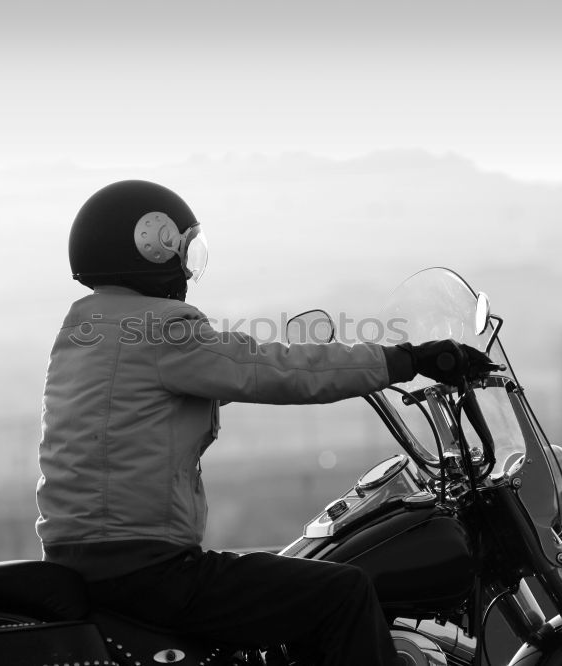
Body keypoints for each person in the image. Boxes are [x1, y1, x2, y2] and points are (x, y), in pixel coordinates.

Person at [35, 180, 492, 665]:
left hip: (85, 557)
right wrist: (408, 359)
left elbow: (155, 405)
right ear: (153, 243)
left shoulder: (86, 331)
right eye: (184, 252)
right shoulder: (161, 331)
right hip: (144, 566)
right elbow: (279, 368)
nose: (187, 269)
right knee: (344, 592)